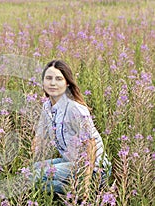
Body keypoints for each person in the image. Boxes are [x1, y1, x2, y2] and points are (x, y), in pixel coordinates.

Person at [31, 60, 111, 195]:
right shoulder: (47, 107)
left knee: (35, 177)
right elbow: (39, 136)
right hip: (71, 162)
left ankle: (86, 190)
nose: (52, 83)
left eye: (59, 79)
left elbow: (90, 145)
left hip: (94, 168)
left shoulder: (75, 109)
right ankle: (73, 190)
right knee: (32, 170)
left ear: (67, 83)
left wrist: (85, 183)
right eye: (48, 78)